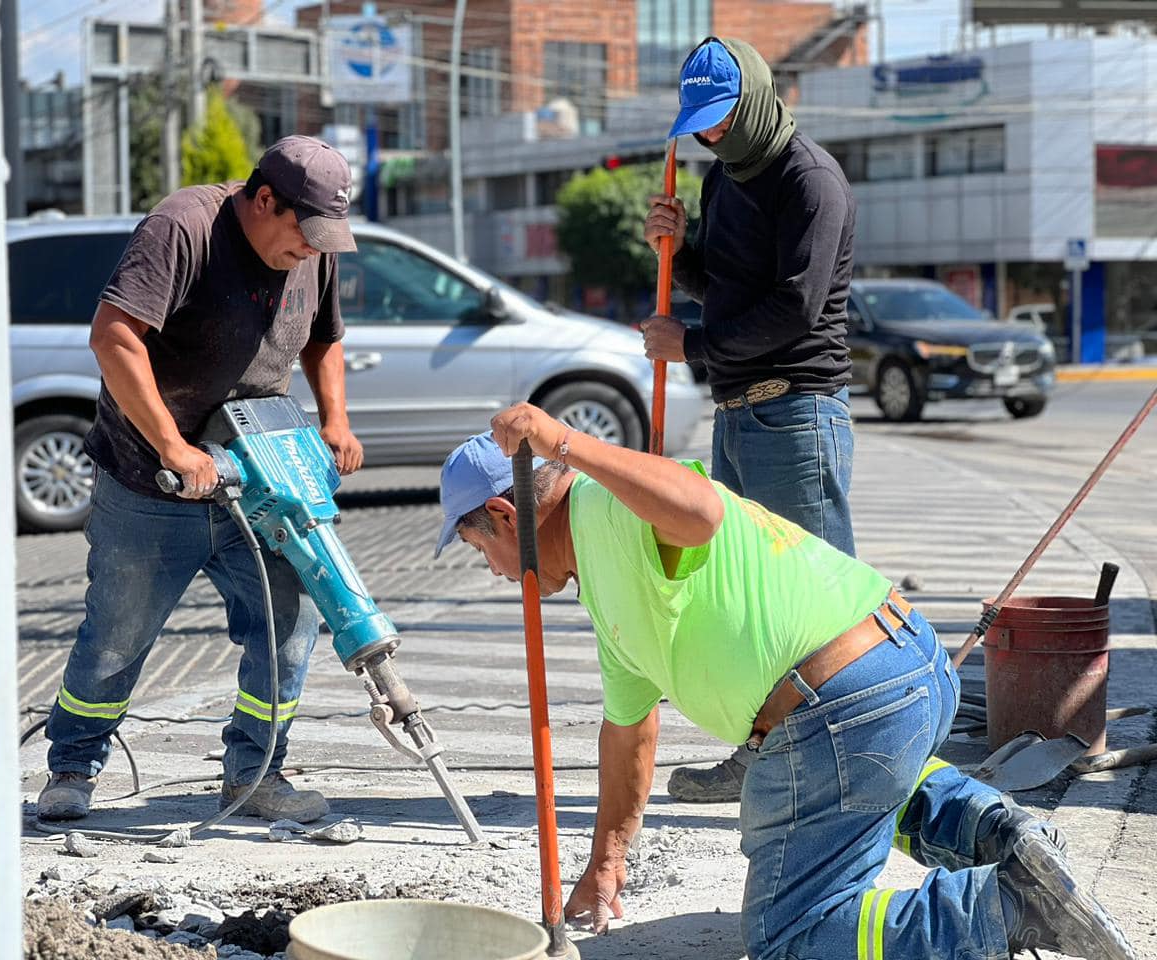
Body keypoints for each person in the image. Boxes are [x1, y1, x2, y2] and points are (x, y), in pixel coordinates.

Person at [433, 402, 1134, 960]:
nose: (493, 571)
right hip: (900, 667)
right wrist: (606, 863)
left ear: (504, 515)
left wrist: (565, 443)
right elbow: (628, 732)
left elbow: (701, 510)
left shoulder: (606, 508)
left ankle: (1004, 908)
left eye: (479, 550)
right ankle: (1006, 836)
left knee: (793, 937)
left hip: (842, 704)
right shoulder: (604, 585)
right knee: (857, 781)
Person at [37, 135, 364, 824]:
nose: (309, 251)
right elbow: (114, 335)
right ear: (264, 198)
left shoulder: (315, 248)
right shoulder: (185, 228)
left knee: (292, 617)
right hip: (152, 482)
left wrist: (335, 419)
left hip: (258, 477)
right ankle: (71, 769)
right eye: (301, 235)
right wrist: (174, 447)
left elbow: (323, 339)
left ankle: (256, 775)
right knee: (118, 633)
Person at [642, 36, 860, 803]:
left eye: (721, 119)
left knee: (818, 601)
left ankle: (844, 767)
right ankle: (764, 753)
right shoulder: (723, 179)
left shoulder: (810, 181)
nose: (709, 136)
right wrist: (676, 251)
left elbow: (795, 309)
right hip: (737, 417)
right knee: (750, 602)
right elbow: (729, 287)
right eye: (699, 125)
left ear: (758, 98)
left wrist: (692, 345)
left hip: (795, 414)